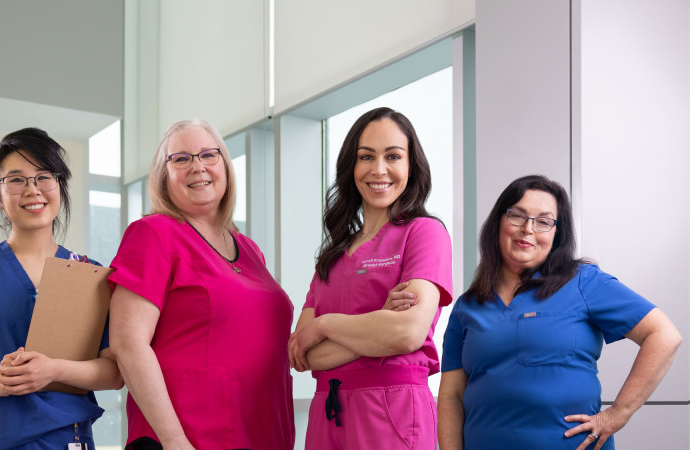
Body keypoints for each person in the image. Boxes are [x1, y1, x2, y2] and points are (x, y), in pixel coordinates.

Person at [437, 175, 682, 450]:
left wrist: (617, 414)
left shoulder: (583, 281)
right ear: (499, 222)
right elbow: (451, 395)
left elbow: (664, 335)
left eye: (543, 221)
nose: (528, 229)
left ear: (556, 234)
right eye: (517, 215)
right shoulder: (467, 306)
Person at [0, 127, 123, 449]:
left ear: (59, 187)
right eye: (16, 180)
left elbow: (114, 372)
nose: (32, 189)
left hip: (66, 439)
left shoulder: (90, 274)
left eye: (44, 176)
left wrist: (53, 370)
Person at [107, 119, 295, 450]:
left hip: (261, 434)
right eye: (181, 159)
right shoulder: (153, 234)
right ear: (164, 175)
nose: (197, 166)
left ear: (225, 164)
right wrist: (175, 442)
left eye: (208, 154)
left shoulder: (250, 250)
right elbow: (128, 344)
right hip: (188, 439)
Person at [288, 107, 453, 450]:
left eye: (393, 156)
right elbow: (305, 354)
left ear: (411, 166)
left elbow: (406, 332)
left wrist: (324, 326)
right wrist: (377, 322)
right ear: (352, 167)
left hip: (391, 410)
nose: (379, 169)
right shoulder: (333, 256)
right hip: (328, 414)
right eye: (367, 157)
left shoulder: (425, 233)